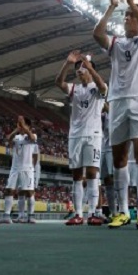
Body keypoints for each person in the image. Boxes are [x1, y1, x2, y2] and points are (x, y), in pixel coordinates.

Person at [93, 0, 138, 230]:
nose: (127, 18)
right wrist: (111, 7)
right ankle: (122, 211)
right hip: (118, 102)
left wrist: (133, 3)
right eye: (126, 15)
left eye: (131, 15)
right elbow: (97, 33)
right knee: (119, 158)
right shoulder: (116, 43)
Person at [55, 51, 107, 226]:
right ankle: (78, 214)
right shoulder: (74, 89)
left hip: (93, 135)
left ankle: (93, 213)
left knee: (92, 174)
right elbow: (58, 83)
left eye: (82, 67)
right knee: (76, 175)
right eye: (77, 68)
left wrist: (91, 69)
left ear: (90, 69)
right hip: (75, 135)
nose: (79, 70)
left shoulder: (98, 88)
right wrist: (67, 63)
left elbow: (102, 87)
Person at [0, 116, 37, 224]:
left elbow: (32, 138)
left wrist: (23, 126)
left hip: (27, 169)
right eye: (19, 124)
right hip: (14, 168)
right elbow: (8, 139)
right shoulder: (17, 137)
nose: (21, 127)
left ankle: (31, 216)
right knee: (9, 190)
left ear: (28, 126)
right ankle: (6, 216)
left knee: (29, 192)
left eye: (23, 124)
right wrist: (16, 130)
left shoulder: (32, 136)